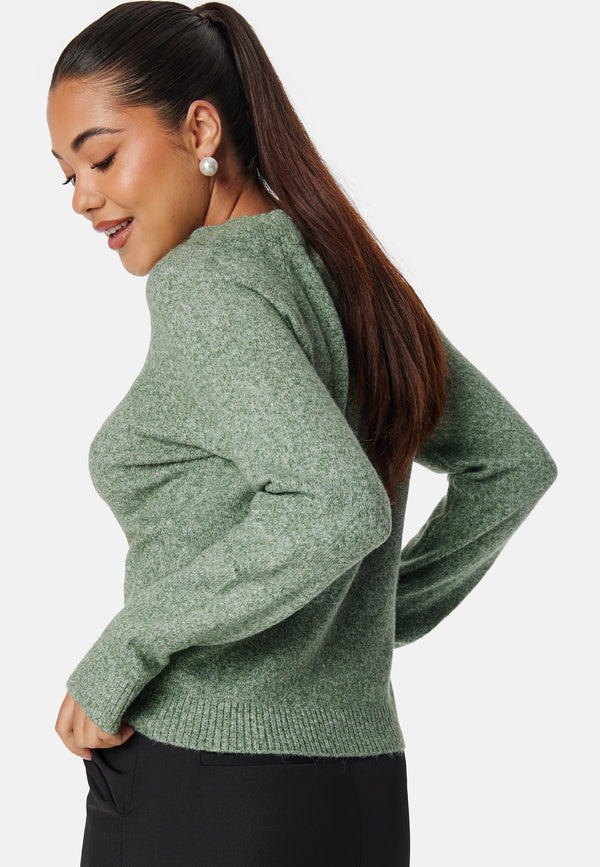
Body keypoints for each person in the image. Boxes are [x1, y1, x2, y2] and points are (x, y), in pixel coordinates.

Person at [47, 3, 558, 865]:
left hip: (206, 783)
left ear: (199, 128)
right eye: (65, 175)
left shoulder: (205, 286)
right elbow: (510, 465)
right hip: (361, 789)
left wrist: (123, 651)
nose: (83, 198)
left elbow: (334, 503)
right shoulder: (348, 271)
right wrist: (365, 619)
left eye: (101, 158)